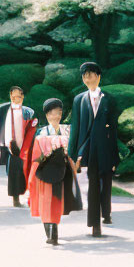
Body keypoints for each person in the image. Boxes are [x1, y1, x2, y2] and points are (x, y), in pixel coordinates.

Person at [21, 98, 82, 246]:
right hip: (45, 172)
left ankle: (53, 232)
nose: (56, 116)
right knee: (45, 201)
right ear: (47, 115)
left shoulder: (67, 130)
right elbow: (34, 155)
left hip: (62, 171)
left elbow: (74, 149)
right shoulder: (41, 132)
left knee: (56, 202)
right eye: (53, 113)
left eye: (59, 113)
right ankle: (50, 233)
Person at [68, 62, 120, 235]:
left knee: (106, 180)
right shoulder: (79, 99)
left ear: (98, 76)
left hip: (105, 145)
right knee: (93, 182)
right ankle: (95, 224)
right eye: (84, 75)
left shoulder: (110, 99)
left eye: (90, 74)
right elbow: (75, 127)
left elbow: (113, 129)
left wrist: (115, 156)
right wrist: (72, 154)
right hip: (88, 146)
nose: (87, 78)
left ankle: (106, 212)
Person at [0, 87, 34, 207]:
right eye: (14, 96)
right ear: (10, 96)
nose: (16, 98)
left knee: (27, 171)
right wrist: (5, 145)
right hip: (10, 146)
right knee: (13, 173)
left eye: (19, 96)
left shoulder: (28, 111)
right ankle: (15, 199)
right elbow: (1, 128)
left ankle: (29, 198)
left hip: (25, 145)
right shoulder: (3, 110)